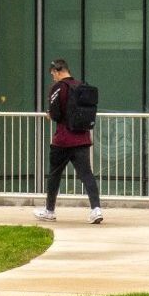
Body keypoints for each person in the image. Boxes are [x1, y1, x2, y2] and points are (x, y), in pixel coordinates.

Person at [33, 58, 104, 224]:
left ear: (58, 71)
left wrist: (49, 115)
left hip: (63, 140)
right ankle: (96, 209)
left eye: (53, 74)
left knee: (54, 175)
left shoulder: (58, 88)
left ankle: (49, 211)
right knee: (87, 174)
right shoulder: (81, 86)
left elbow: (56, 114)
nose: (53, 77)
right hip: (82, 138)